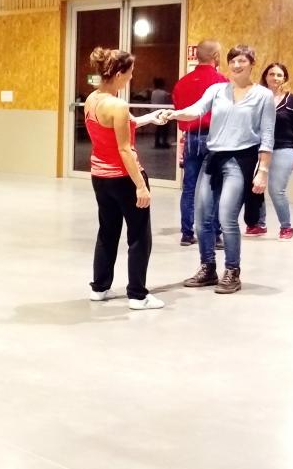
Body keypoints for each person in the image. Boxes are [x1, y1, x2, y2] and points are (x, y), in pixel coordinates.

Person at [164, 45, 275, 294]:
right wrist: (173, 114)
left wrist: (263, 171)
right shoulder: (217, 90)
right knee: (202, 217)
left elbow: (267, 135)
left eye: (242, 60)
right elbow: (196, 110)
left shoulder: (263, 96)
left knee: (226, 216)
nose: (236, 65)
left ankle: (232, 271)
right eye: (233, 60)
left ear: (252, 63)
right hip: (213, 158)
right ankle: (208, 268)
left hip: (240, 160)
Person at [84, 49, 167, 310]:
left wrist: (151, 118)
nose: (131, 78)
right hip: (124, 178)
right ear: (119, 73)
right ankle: (138, 296)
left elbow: (120, 127)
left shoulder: (93, 99)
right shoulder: (118, 106)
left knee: (107, 232)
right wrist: (140, 186)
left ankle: (99, 287)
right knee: (140, 236)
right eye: (130, 73)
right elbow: (124, 149)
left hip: (100, 177)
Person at [172, 40, 228, 246]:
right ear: (215, 56)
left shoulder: (182, 82)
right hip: (215, 138)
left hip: (191, 138)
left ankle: (187, 233)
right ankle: (215, 234)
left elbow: (179, 111)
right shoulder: (222, 82)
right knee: (215, 186)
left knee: (189, 187)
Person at [243, 62, 293, 240]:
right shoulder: (258, 98)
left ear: (284, 78)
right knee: (256, 187)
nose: (275, 78)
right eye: (271, 74)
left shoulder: (292, 100)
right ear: (265, 76)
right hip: (260, 149)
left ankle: (286, 227)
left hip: (283, 149)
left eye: (279, 75)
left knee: (277, 190)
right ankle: (259, 224)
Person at [150, 78, 173, 148]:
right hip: (162, 112)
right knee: (165, 128)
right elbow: (167, 102)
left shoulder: (153, 92)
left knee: (158, 128)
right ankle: (164, 142)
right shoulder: (164, 93)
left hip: (154, 111)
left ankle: (157, 142)